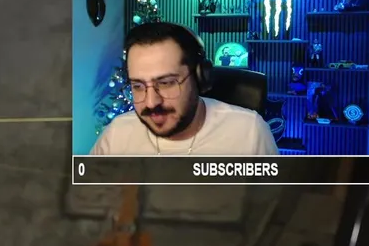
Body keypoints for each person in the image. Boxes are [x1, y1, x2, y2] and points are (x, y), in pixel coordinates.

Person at [91, 22, 279, 155]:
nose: (151, 102)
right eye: (138, 86)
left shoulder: (249, 133)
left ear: (200, 78)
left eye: (166, 83)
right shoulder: (117, 135)